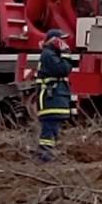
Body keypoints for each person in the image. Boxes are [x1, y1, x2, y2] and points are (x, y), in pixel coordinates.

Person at [34, 29, 74, 162]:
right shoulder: (48, 55)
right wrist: (66, 54)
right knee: (49, 128)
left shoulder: (51, 54)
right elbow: (63, 69)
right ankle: (44, 154)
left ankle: (48, 153)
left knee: (53, 128)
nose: (63, 43)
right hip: (50, 98)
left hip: (54, 98)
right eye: (60, 39)